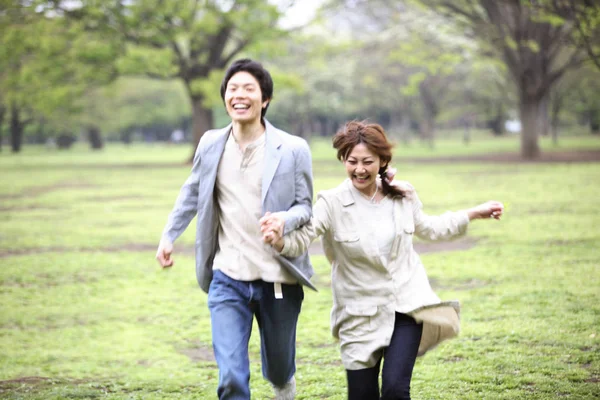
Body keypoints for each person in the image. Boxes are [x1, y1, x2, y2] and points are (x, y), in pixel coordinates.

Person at [260, 121, 504, 400]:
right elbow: (305, 236)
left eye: (368, 161)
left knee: (395, 391)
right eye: (352, 161)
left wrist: (473, 213)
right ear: (343, 160)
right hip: (358, 314)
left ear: (383, 161)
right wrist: (279, 240)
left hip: (405, 306)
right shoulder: (332, 202)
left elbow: (431, 228)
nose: (359, 169)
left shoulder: (401, 194)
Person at [156, 58, 315, 400]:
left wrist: (283, 221)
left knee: (278, 367)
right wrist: (169, 235)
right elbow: (192, 192)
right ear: (225, 98)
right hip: (227, 275)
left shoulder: (292, 148)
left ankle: (283, 384)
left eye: (249, 89)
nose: (239, 95)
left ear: (265, 99)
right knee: (231, 377)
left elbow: (306, 207)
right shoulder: (211, 143)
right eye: (232, 89)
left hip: (277, 278)